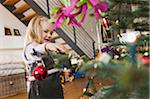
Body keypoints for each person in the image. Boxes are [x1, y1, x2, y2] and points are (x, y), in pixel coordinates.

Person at [23, 15, 67, 99]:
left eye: (51, 33)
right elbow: (35, 50)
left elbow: (55, 70)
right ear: (35, 31)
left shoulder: (48, 50)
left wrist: (60, 84)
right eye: (45, 31)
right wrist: (46, 46)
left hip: (54, 88)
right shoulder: (30, 48)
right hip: (40, 91)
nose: (49, 35)